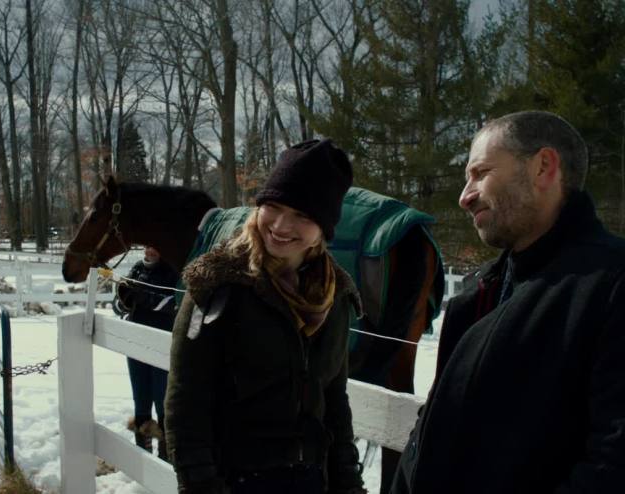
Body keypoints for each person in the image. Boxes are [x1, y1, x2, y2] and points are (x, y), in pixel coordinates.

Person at [391, 111, 625, 493]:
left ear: (543, 167)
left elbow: (612, 466)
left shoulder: (611, 285)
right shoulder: (482, 292)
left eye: (480, 173)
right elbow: (434, 427)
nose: (465, 197)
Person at [164, 139, 367, 494]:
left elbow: (334, 399)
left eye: (303, 215)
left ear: (323, 228)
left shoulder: (334, 294)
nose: (281, 226)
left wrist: (347, 481)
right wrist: (201, 485)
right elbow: (186, 401)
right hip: (235, 482)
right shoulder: (217, 283)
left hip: (310, 481)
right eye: (273, 206)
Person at [115, 246, 179, 460]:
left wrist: (142, 298)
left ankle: (165, 459)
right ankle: (142, 457)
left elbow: (174, 304)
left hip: (161, 346)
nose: (151, 250)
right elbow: (121, 306)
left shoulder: (173, 271)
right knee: (140, 399)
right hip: (136, 343)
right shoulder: (136, 269)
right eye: (147, 245)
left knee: (162, 401)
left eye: (155, 245)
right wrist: (123, 300)